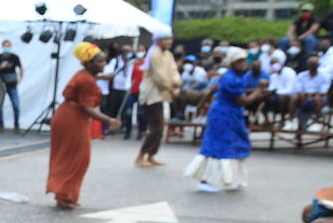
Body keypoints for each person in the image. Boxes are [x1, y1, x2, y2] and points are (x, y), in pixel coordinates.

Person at [46, 42, 120, 209]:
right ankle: (64, 195)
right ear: (88, 63)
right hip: (72, 119)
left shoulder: (84, 75)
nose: (104, 64)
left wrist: (102, 77)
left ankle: (64, 194)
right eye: (100, 62)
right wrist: (109, 120)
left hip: (68, 116)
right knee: (77, 158)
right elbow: (86, 107)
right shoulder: (86, 80)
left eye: (104, 61)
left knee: (70, 157)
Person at [184, 47, 264, 193]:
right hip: (223, 115)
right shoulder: (230, 78)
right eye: (239, 62)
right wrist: (259, 90)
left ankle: (233, 178)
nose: (244, 65)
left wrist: (201, 105)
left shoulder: (232, 76)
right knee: (218, 148)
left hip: (231, 116)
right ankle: (207, 181)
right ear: (232, 63)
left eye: (244, 62)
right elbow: (243, 101)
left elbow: (212, 89)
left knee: (236, 145)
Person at [135, 31, 180, 168]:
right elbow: (159, 77)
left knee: (159, 127)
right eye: (165, 40)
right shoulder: (154, 54)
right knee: (156, 127)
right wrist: (172, 89)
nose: (168, 43)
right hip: (151, 95)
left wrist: (176, 82)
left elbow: (174, 71)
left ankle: (151, 155)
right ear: (158, 41)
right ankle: (141, 155)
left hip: (162, 94)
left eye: (169, 40)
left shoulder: (168, 54)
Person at [0, 39, 23, 132]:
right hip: (1, 84)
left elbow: (21, 67)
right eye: (5, 46)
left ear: (10, 47)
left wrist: (20, 78)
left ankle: (16, 125)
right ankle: (1, 125)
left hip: (12, 84)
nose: (6, 48)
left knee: (16, 105)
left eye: (8, 46)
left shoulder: (15, 57)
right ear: (2, 47)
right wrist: (0, 67)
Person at [294, 54, 331, 140]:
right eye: (311, 63)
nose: (312, 65)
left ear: (318, 64)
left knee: (317, 98)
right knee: (296, 98)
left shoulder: (324, 76)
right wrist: (305, 95)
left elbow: (323, 92)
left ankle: (317, 121)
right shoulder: (301, 75)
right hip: (304, 98)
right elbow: (299, 89)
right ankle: (292, 123)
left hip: (319, 99)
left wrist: (310, 95)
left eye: (314, 63)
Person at [104, 44, 133, 134]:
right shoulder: (115, 61)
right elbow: (108, 72)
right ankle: (109, 127)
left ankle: (123, 128)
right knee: (112, 109)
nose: (128, 54)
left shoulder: (132, 62)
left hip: (127, 89)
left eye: (129, 52)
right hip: (116, 89)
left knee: (125, 110)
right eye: (126, 52)